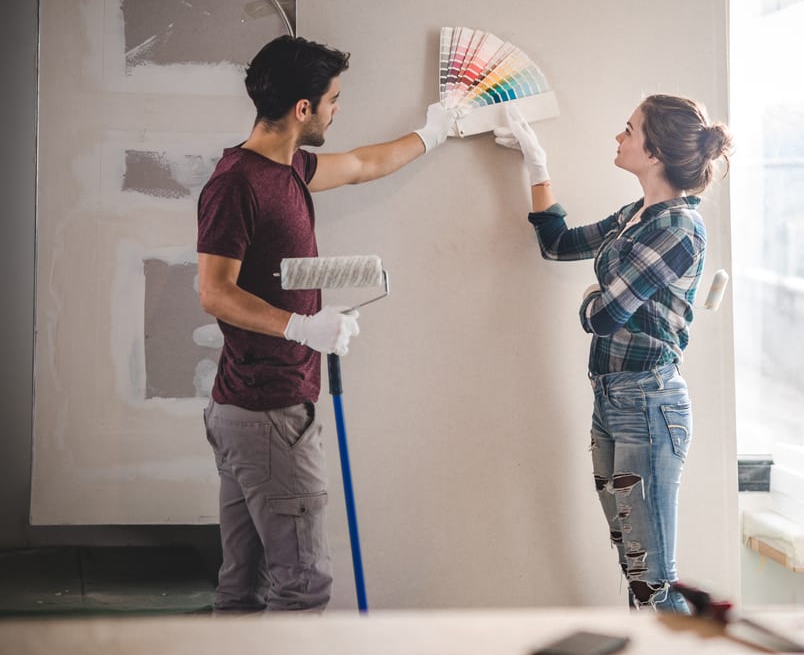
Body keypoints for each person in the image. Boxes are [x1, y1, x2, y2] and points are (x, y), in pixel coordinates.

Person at [197, 35, 455, 612]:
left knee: (244, 586)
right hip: (269, 413)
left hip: (249, 409)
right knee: (302, 585)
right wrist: (300, 328)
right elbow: (214, 292)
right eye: (334, 99)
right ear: (303, 109)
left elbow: (365, 164)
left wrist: (437, 129)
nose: (339, 109)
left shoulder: (286, 169)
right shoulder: (237, 184)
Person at [493, 95, 733, 612]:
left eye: (629, 130)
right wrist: (537, 164)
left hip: (647, 404)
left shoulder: (677, 230)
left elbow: (604, 316)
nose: (618, 137)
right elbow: (557, 244)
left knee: (653, 580)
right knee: (635, 568)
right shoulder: (636, 215)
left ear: (654, 152)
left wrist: (590, 303)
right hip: (612, 400)